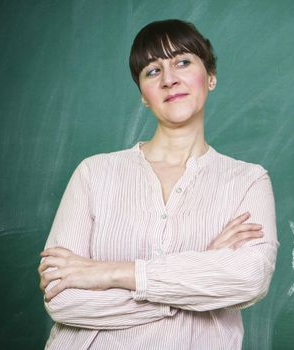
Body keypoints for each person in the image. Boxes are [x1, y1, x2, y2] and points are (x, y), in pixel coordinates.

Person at [38, 19, 278, 350]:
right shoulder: (93, 173)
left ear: (210, 77)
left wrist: (110, 274)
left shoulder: (248, 181)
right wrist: (201, 272)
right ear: (143, 96)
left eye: (182, 62)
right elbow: (61, 298)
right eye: (152, 71)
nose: (169, 79)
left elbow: (249, 279)